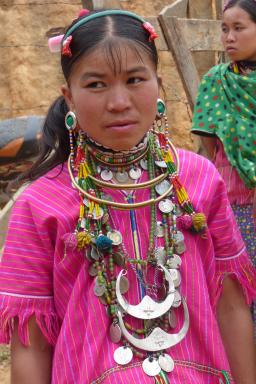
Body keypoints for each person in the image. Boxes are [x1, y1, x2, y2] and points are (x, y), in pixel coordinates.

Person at [0, 8, 255, 384]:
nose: (119, 101)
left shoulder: (200, 179)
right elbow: (31, 345)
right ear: (68, 97)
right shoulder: (39, 205)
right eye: (96, 85)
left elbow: (231, 307)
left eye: (135, 79)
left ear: (159, 85)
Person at [191, 0, 256, 333]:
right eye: (225, 29)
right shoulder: (216, 82)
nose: (229, 37)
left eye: (239, 28)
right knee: (240, 282)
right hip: (235, 203)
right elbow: (209, 146)